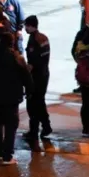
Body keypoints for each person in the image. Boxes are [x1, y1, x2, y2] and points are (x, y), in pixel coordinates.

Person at [0, 32, 29, 165]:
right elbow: (26, 77)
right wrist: (30, 90)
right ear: (12, 43)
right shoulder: (17, 58)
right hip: (11, 98)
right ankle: (7, 156)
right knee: (10, 126)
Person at [23, 15, 52, 143]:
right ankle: (46, 126)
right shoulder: (43, 38)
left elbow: (32, 63)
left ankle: (34, 131)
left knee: (32, 104)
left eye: (26, 26)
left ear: (30, 26)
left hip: (36, 77)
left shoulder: (33, 40)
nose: (25, 28)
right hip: (44, 74)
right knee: (40, 102)